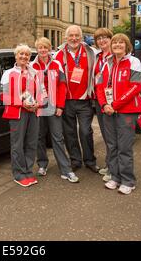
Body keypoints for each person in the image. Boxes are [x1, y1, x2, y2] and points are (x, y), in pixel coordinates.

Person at [95, 33, 141, 195]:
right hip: (108, 110)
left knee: (124, 147)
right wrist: (104, 104)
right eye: (115, 42)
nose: (117, 45)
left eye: (121, 42)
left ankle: (128, 180)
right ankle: (115, 177)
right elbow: (100, 87)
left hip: (127, 111)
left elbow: (135, 87)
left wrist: (115, 105)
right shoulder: (106, 64)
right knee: (112, 145)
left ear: (127, 45)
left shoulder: (133, 62)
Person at [31, 37, 79, 183]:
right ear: (37, 49)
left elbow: (62, 86)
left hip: (53, 107)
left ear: (49, 48)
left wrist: (60, 106)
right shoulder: (32, 66)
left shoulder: (57, 64)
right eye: (40, 47)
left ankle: (65, 169)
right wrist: (32, 104)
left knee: (58, 138)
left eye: (45, 47)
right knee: (39, 137)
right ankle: (42, 165)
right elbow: (29, 87)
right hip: (38, 108)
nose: (43, 50)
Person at [54, 25, 100, 173]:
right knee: (69, 132)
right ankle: (75, 160)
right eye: (71, 36)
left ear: (81, 37)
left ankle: (90, 160)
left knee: (85, 131)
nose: (74, 38)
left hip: (84, 100)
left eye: (77, 36)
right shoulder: (58, 55)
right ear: (66, 38)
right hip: (66, 101)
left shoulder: (91, 52)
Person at [1, 44, 42, 187]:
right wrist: (21, 103)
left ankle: (28, 171)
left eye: (27, 54)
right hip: (16, 113)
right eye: (21, 54)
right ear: (16, 56)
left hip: (33, 112)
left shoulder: (34, 72)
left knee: (31, 143)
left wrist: (39, 103)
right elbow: (4, 96)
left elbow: (41, 91)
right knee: (17, 145)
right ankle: (19, 174)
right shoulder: (8, 73)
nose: (24, 57)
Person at [92, 28, 113, 182]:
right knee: (106, 135)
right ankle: (110, 164)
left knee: (112, 135)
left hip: (112, 100)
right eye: (99, 38)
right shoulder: (98, 56)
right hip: (99, 99)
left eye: (105, 37)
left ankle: (114, 168)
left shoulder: (115, 55)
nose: (102, 41)